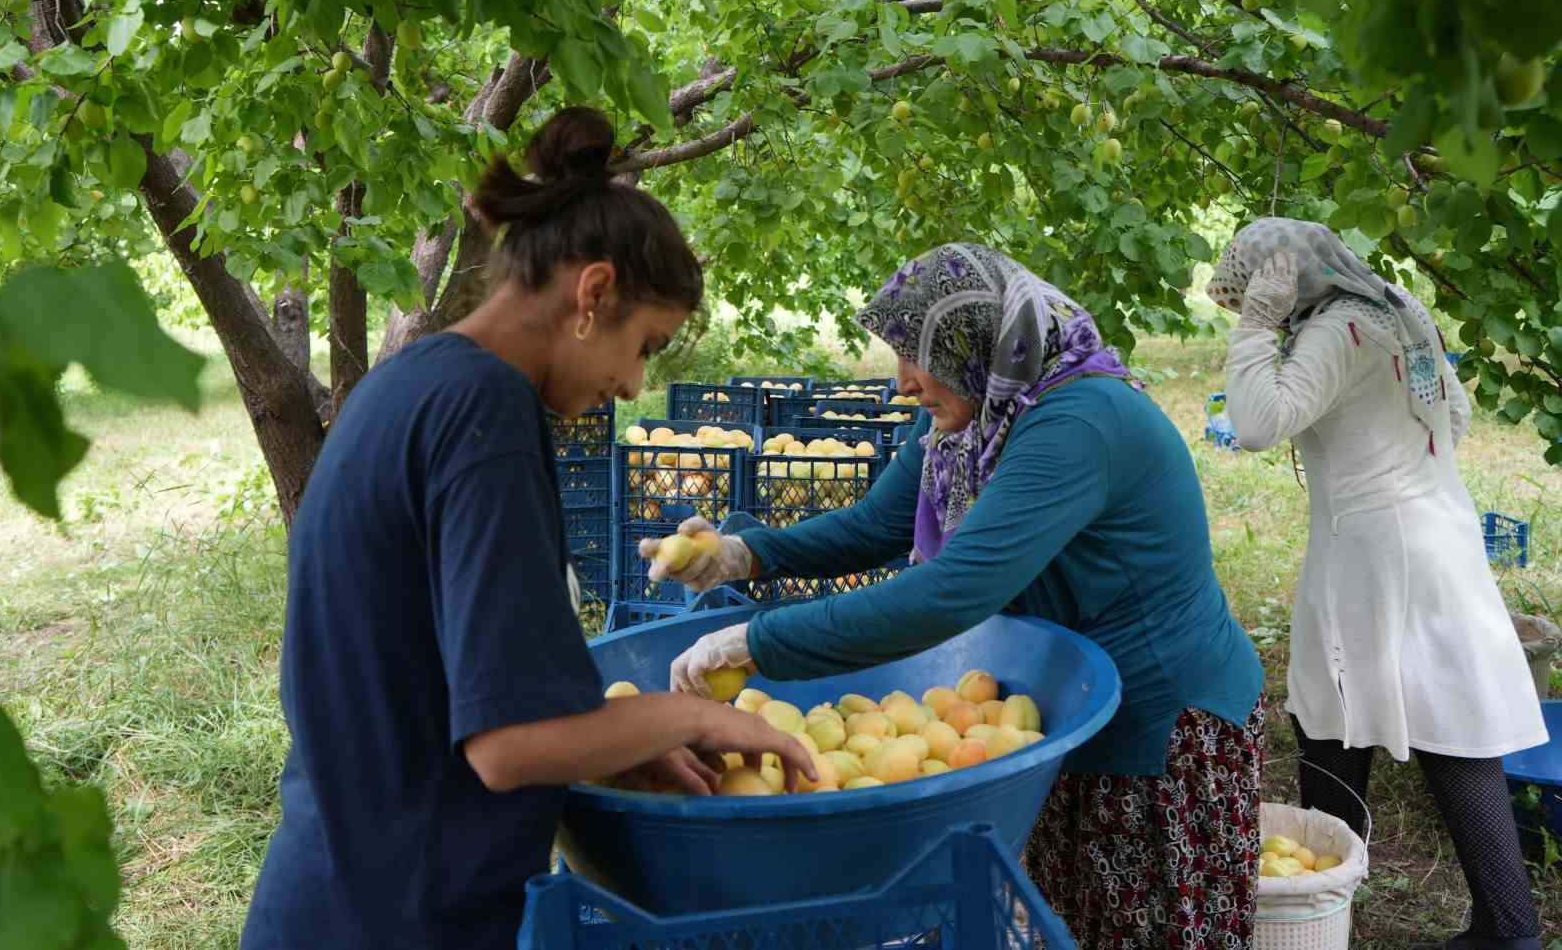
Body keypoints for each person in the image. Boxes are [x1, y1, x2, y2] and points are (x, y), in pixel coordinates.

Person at [240, 107, 813, 950]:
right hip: (401, 915)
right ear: (594, 294)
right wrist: (691, 719)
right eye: (647, 346)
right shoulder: (484, 415)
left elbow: (439, 678)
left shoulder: (411, 382)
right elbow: (507, 747)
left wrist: (616, 746)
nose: (630, 384)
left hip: (340, 884)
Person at [646, 242, 1268, 948]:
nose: (903, 384)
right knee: (1075, 923)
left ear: (975, 341)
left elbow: (952, 592)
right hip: (1068, 708)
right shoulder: (978, 409)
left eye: (918, 356)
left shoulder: (1076, 422)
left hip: (1157, 732)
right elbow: (878, 523)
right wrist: (743, 553)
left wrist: (758, 643)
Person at [1209, 217, 1547, 950]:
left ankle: (1320, 907)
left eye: (1250, 297)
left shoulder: (1336, 330)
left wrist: (1260, 331)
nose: (1248, 311)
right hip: (1436, 527)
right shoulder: (1395, 304)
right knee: (1446, 719)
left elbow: (1258, 422)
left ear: (1281, 284)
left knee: (1330, 712)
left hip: (1370, 547)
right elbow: (1452, 415)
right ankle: (1506, 923)